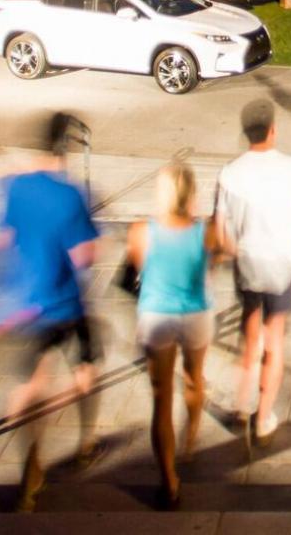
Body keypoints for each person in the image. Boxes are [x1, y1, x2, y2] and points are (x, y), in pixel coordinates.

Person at [0, 112, 102, 513]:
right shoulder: (71, 194)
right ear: (67, 147)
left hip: (27, 303)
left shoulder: (16, 186)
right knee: (85, 366)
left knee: (33, 382)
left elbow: (2, 234)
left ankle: (31, 465)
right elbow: (84, 255)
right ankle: (87, 441)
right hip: (65, 301)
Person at [214, 99, 291, 441]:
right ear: (273, 130)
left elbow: (221, 233)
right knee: (273, 342)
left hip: (248, 265)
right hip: (281, 266)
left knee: (249, 337)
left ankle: (240, 404)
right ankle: (263, 418)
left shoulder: (230, 173)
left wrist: (237, 253)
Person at [126, 162, 215, 510]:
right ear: (192, 193)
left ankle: (169, 481)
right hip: (196, 313)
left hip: (157, 314)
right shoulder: (205, 231)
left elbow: (139, 268)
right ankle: (191, 437)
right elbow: (213, 263)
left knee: (161, 399)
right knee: (194, 378)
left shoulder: (140, 231)